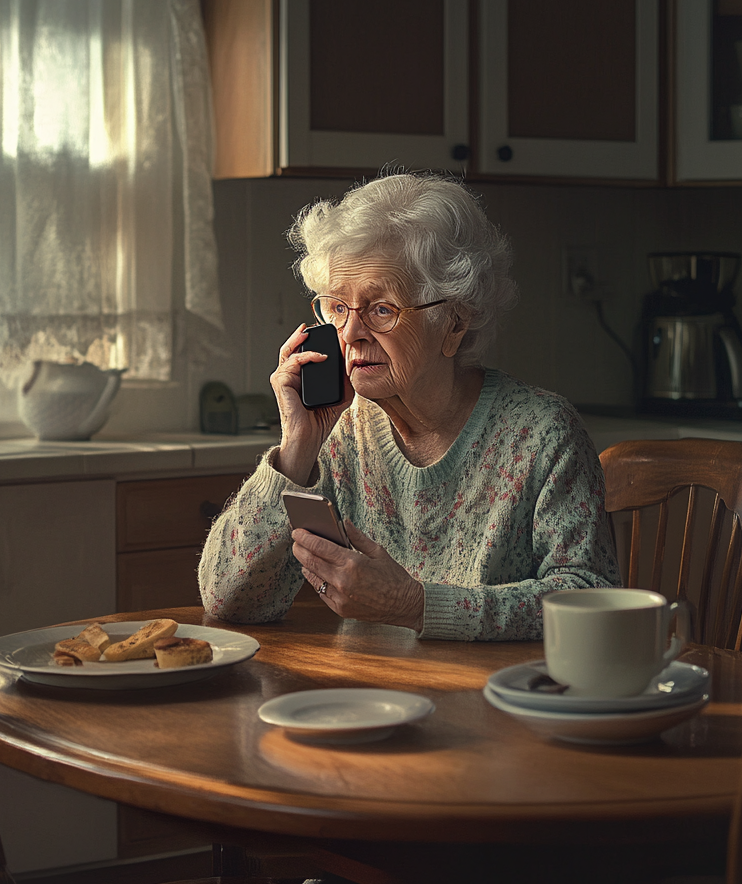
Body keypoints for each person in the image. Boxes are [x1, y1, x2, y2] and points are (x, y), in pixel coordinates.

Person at [199, 172, 619, 639]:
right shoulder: (338, 433)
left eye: (381, 309)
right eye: (337, 307)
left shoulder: (542, 434)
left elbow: (590, 599)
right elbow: (228, 600)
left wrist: (417, 606)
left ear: (454, 323)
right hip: (368, 699)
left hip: (499, 699)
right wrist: (296, 447)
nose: (351, 333)